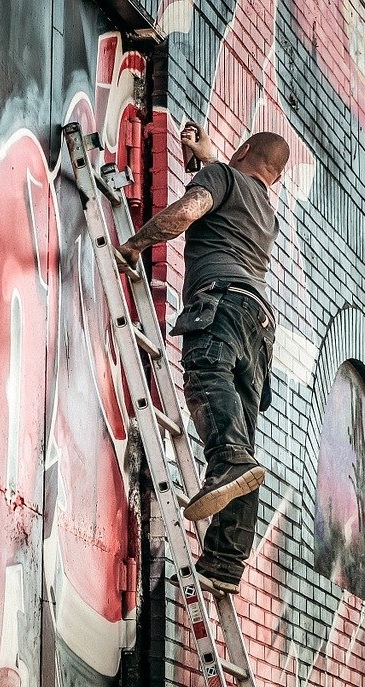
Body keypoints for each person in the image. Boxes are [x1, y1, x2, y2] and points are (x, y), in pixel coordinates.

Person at [117, 122, 290, 594]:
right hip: (259, 324)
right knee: (245, 446)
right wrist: (208, 158)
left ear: (246, 147)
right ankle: (224, 563)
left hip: (220, 303)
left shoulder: (222, 179)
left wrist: (133, 245)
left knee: (207, 379)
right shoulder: (265, 211)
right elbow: (234, 178)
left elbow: (187, 212)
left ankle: (226, 459)